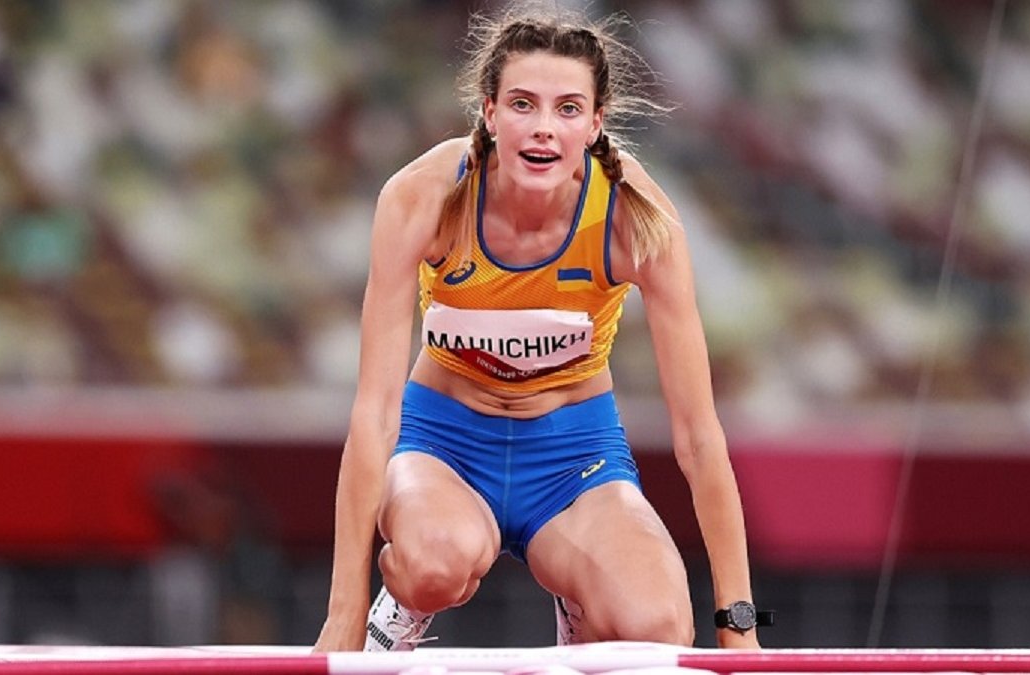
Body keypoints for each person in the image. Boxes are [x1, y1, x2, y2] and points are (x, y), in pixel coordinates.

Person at [312, 4, 763, 652]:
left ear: (596, 123)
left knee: (658, 626)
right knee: (432, 563)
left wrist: (739, 626)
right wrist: (343, 615)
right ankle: (401, 608)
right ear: (489, 112)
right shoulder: (422, 198)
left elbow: (698, 435)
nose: (544, 128)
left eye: (568, 108)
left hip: (575, 458)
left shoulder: (638, 221)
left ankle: (579, 603)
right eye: (523, 104)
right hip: (445, 442)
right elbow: (374, 414)